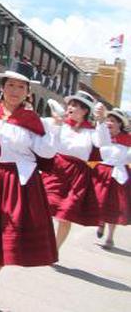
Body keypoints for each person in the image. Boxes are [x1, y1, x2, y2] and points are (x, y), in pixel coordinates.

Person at [0, 61, 58, 282]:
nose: (14, 91)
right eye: (10, 85)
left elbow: (47, 152)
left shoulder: (33, 122)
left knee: (2, 240)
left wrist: (54, 127)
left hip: (15, 184)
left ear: (28, 92)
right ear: (2, 87)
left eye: (21, 87)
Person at [41, 90, 109, 249]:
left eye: (77, 106)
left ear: (85, 111)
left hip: (77, 176)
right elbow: (40, 128)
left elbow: (102, 142)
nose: (71, 108)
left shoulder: (91, 131)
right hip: (55, 169)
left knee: (66, 214)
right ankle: (39, 239)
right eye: (70, 104)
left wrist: (101, 120)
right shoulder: (58, 123)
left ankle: (53, 250)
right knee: (44, 205)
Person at [92, 109, 130, 249]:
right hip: (102, 172)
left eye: (113, 121)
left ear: (120, 124)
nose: (109, 123)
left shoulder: (127, 140)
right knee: (99, 201)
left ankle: (110, 237)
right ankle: (100, 222)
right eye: (108, 120)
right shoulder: (102, 136)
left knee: (114, 206)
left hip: (118, 175)